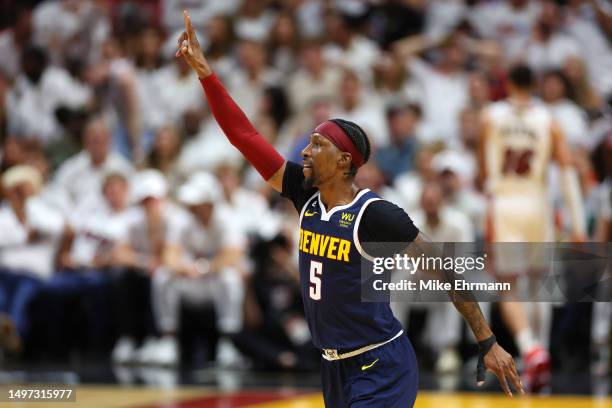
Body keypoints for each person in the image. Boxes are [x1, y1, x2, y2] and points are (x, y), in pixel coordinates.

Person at [177, 10, 523, 406]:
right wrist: (207, 74)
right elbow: (244, 135)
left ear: (344, 161)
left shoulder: (376, 215)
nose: (305, 151)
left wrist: (488, 341)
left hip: (381, 366)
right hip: (334, 368)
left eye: (317, 144)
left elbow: (444, 270)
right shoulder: (303, 194)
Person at [479, 64, 587, 392]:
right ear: (535, 84)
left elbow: (484, 172)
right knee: (540, 281)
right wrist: (578, 223)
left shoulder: (491, 116)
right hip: (538, 204)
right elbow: (567, 170)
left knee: (508, 284)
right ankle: (544, 355)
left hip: (505, 203)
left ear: (508, 83)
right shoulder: (548, 120)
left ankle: (530, 348)